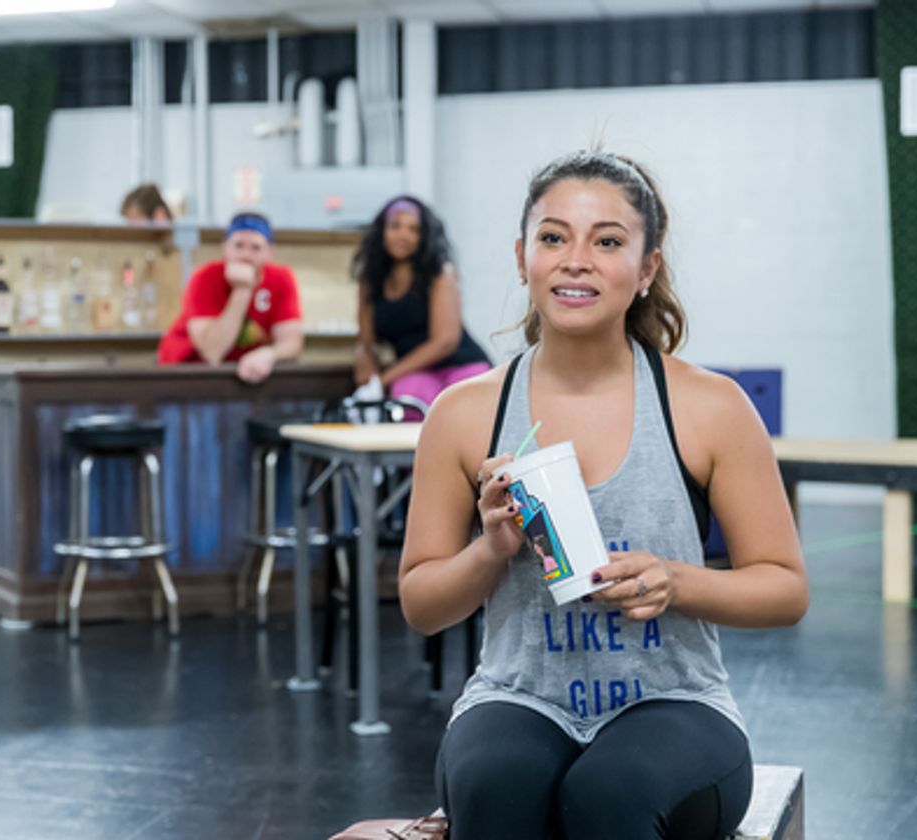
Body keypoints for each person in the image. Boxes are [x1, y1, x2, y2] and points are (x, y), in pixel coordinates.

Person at [398, 151, 808, 840]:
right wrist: (489, 551)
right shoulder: (464, 413)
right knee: (495, 788)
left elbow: (785, 590)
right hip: (518, 698)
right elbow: (421, 604)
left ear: (646, 268)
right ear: (522, 255)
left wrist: (676, 581)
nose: (575, 259)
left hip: (676, 700)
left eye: (608, 241)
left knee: (611, 796)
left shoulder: (709, 406)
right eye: (553, 237)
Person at [351, 196, 490, 417]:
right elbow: (366, 341)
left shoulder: (440, 275)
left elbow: (444, 342)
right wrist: (365, 365)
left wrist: (385, 378)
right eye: (395, 226)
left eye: (413, 229)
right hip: (414, 374)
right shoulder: (370, 281)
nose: (403, 235)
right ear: (381, 231)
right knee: (409, 396)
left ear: (424, 237)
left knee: (465, 407)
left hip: (461, 366)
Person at [157, 212, 303, 384]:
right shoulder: (205, 277)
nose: (246, 255)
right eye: (238, 245)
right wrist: (243, 290)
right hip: (187, 375)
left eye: (256, 247)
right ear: (225, 247)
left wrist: (269, 354)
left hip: (242, 377)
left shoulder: (281, 278)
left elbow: (292, 342)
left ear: (269, 252)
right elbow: (213, 353)